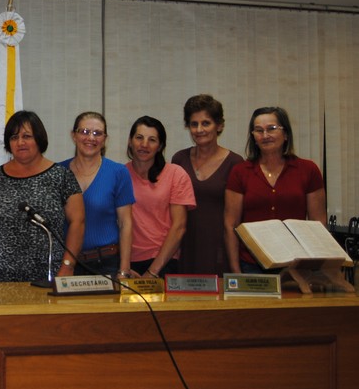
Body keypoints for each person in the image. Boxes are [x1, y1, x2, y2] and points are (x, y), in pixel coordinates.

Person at [0, 111, 84, 282]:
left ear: (39, 138)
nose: (20, 142)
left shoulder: (61, 176)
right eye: (14, 137)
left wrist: (68, 265)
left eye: (27, 136)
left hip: (48, 276)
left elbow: (78, 222)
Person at [225, 106, 326, 273]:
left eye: (271, 129)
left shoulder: (308, 169)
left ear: (286, 134)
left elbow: (318, 225)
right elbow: (230, 225)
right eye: (258, 130)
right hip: (251, 265)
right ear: (253, 137)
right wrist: (236, 271)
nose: (265, 135)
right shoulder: (240, 172)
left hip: (296, 265)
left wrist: (310, 269)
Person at [170, 95, 243, 275]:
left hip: (218, 249)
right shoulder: (179, 159)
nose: (199, 129)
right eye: (194, 124)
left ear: (219, 125)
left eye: (206, 123)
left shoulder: (235, 163)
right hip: (184, 247)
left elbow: (235, 221)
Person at [58, 111, 135, 278]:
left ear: (105, 139)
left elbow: (125, 223)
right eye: (84, 132)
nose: (91, 138)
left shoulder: (118, 172)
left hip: (106, 264)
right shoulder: (58, 173)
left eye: (97, 133)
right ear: (74, 135)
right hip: (67, 265)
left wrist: (124, 270)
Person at [125, 116, 196, 278]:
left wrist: (152, 271)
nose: (144, 145)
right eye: (139, 138)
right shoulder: (120, 174)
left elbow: (179, 227)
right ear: (130, 141)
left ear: (160, 146)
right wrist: (123, 266)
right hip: (127, 263)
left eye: (152, 140)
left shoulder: (175, 174)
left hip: (163, 262)